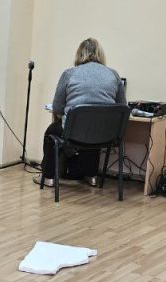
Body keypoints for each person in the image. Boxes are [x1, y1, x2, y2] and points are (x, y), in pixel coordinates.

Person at [34, 38, 126, 188]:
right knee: (94, 129)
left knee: (51, 132)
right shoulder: (114, 75)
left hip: (74, 131)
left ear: (79, 54)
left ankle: (48, 177)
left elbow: (57, 107)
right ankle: (92, 176)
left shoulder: (69, 74)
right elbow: (122, 107)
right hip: (104, 133)